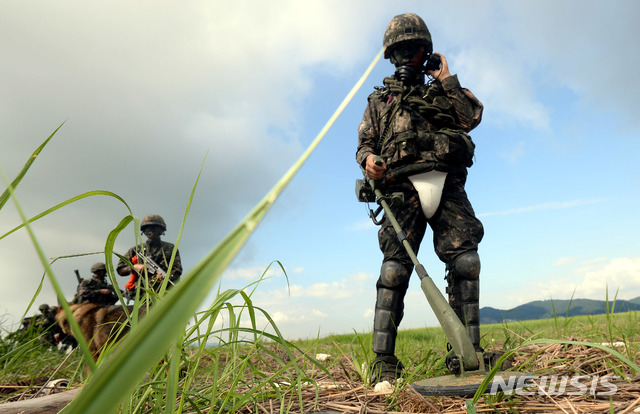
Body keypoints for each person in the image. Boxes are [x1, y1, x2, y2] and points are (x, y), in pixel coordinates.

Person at [356, 13, 484, 382]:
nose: (406, 57)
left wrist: (444, 79)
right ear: (390, 57)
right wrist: (370, 162)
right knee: (394, 270)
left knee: (466, 263)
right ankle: (384, 362)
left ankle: (468, 352)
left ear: (426, 53)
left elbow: (470, 117)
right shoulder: (380, 101)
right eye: (400, 51)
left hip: (446, 183)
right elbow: (364, 144)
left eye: (414, 50)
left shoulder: (442, 92)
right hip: (400, 188)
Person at [116, 214, 182, 297]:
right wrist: (134, 267)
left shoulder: (170, 248)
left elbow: (177, 270)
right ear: (143, 230)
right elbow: (120, 270)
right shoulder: (136, 249)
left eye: (155, 227)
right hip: (141, 295)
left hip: (163, 293)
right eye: (148, 227)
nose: (152, 230)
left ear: (161, 230)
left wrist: (164, 278)